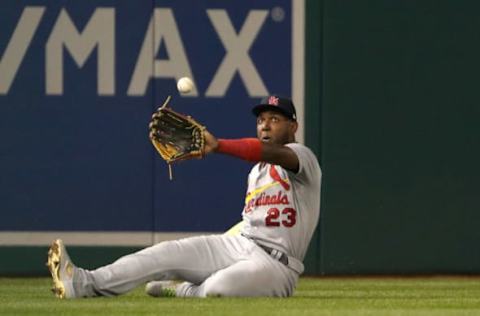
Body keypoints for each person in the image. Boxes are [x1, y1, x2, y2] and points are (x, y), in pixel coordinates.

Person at [47, 95, 321, 298]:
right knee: (162, 254)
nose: (265, 126)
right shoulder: (256, 174)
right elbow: (248, 223)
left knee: (217, 289)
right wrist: (222, 245)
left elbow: (269, 153)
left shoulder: (302, 159)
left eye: (275, 119)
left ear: (293, 126)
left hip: (276, 266)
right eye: (261, 120)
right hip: (240, 245)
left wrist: (220, 145)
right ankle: (83, 282)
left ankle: (183, 290)